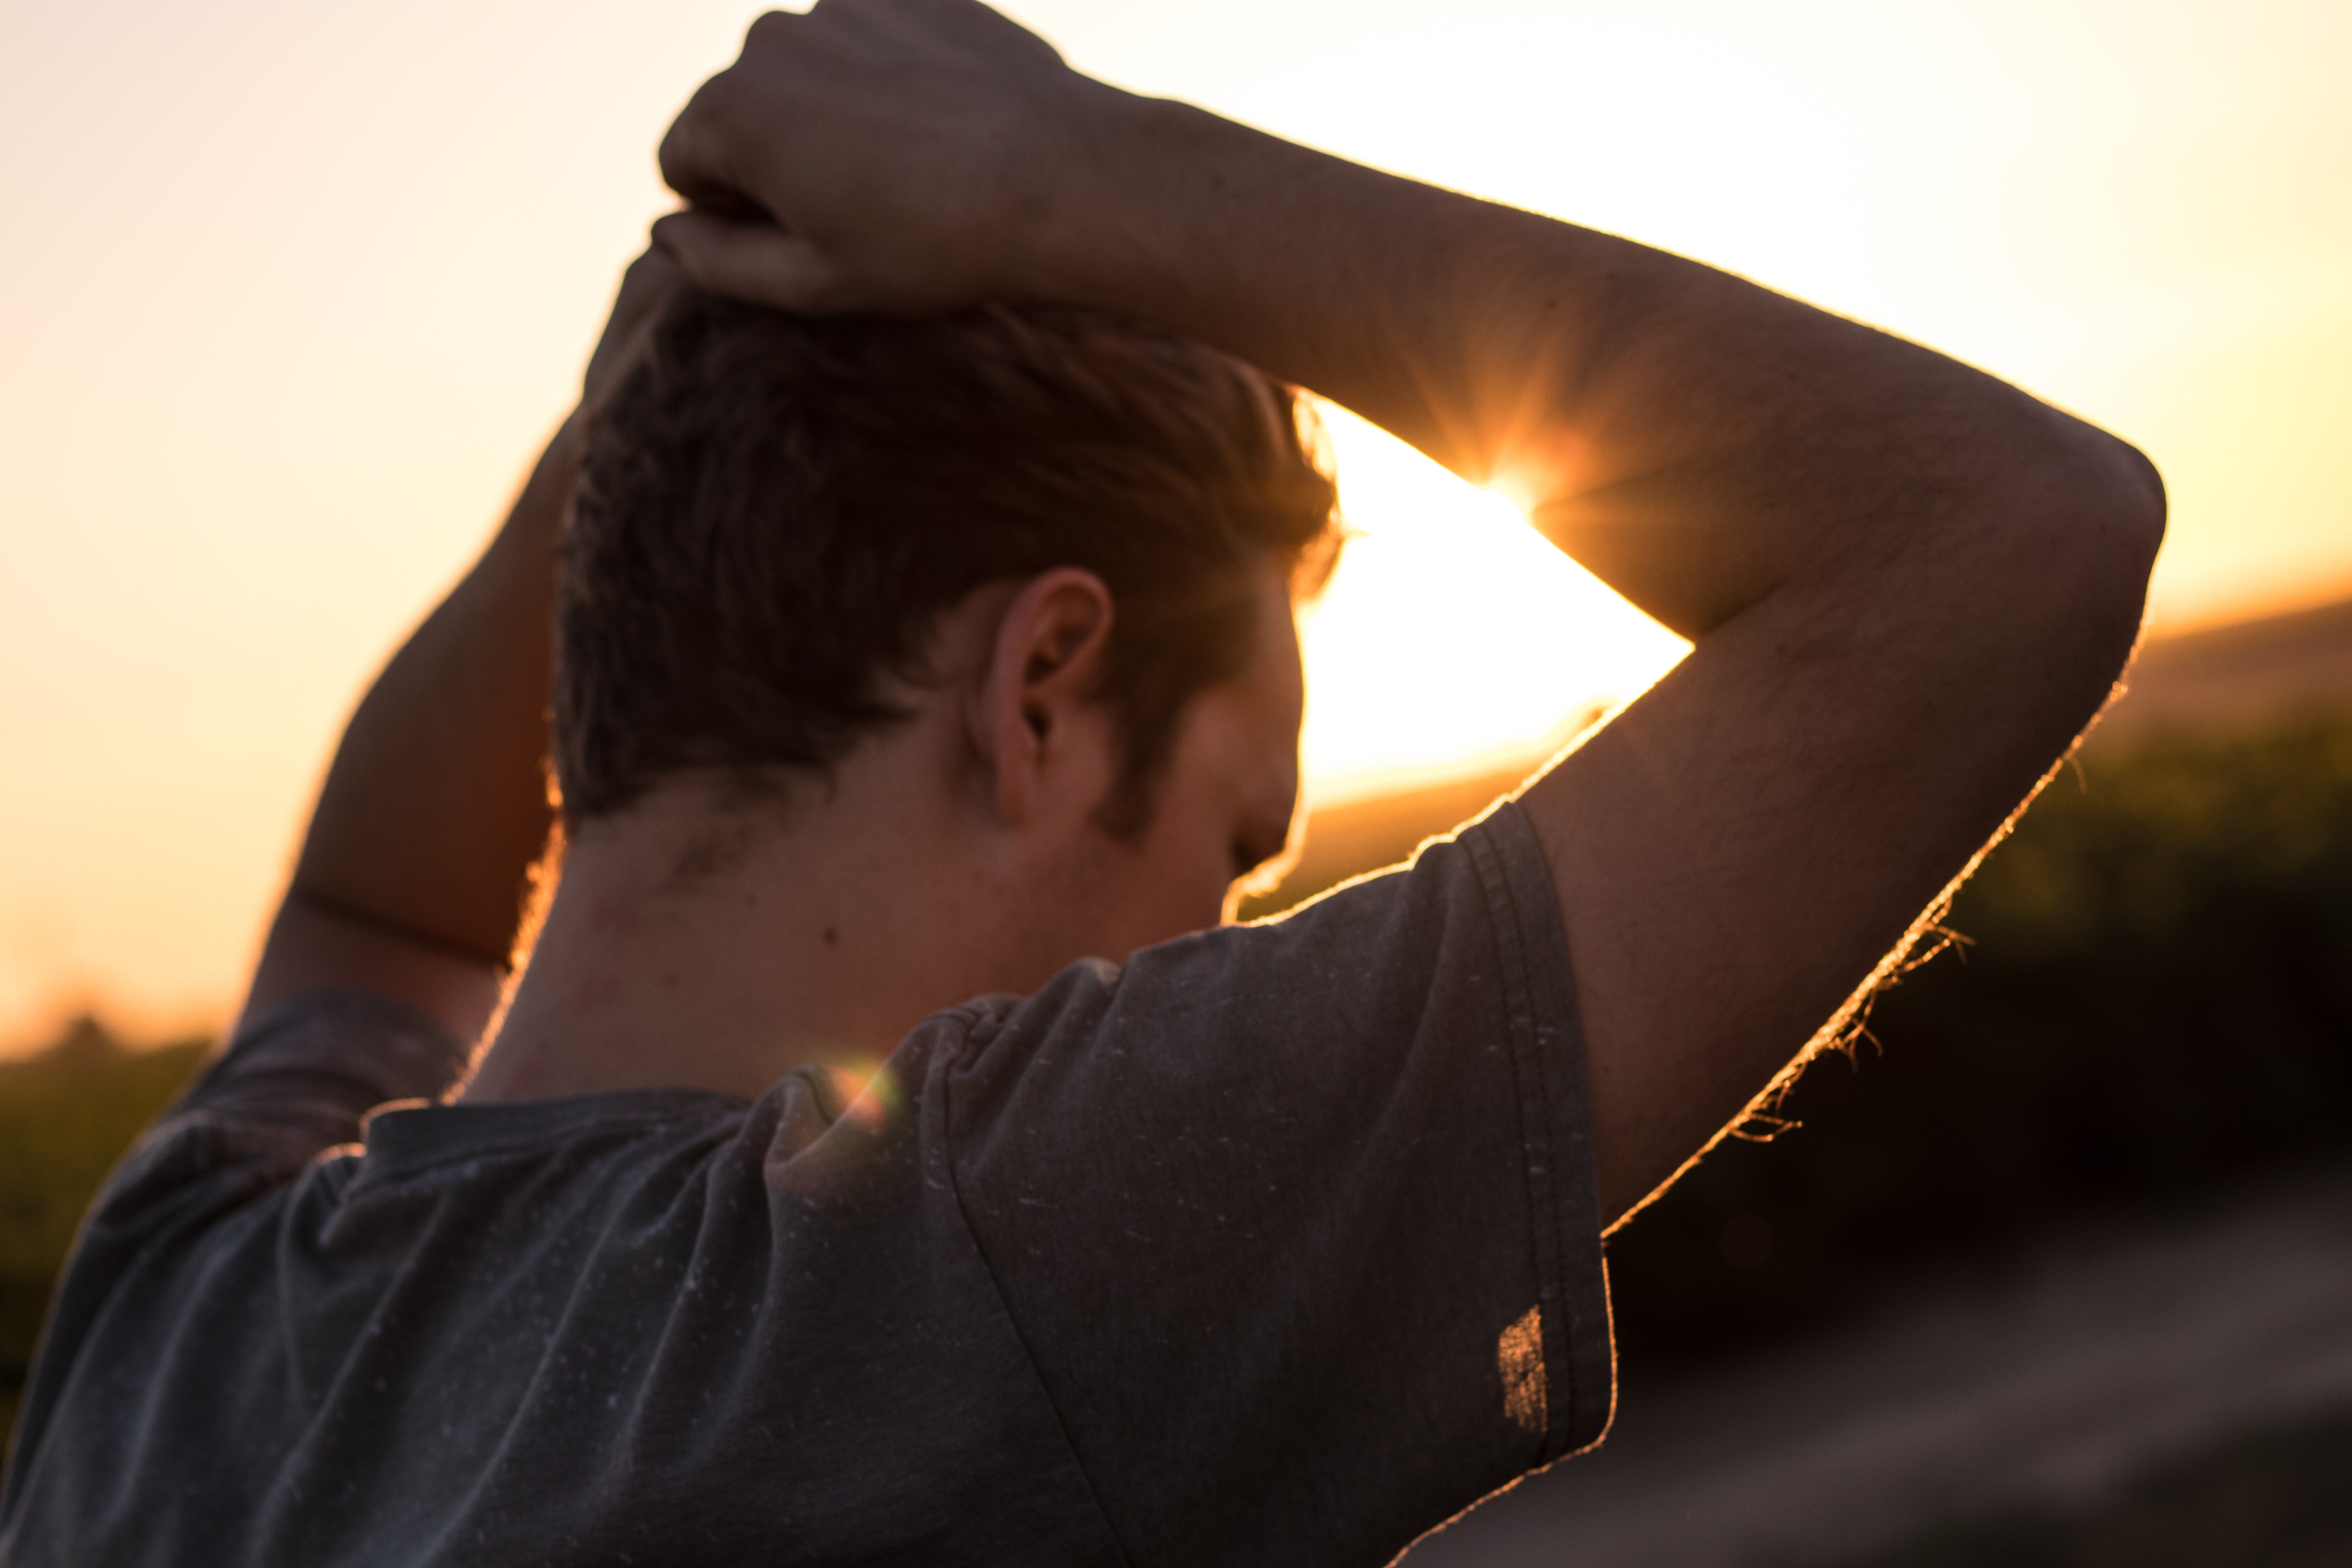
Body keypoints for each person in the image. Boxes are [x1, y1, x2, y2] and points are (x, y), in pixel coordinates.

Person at [0, 2, 2164, 1563]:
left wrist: (655, 385)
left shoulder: (180, 1305)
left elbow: (379, 916)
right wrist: (1079, 176)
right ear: (1041, 691)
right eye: (1232, 848)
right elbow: (2004, 540)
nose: (1214, 950)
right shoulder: (977, 1284)